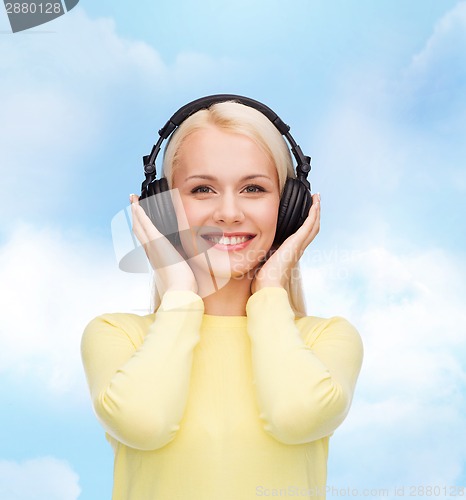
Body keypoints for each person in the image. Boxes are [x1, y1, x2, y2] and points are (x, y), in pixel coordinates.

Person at [81, 98, 363, 500]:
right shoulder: (116, 336)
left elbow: (295, 416)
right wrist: (179, 292)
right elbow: (144, 422)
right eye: (202, 189)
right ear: (162, 210)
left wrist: (269, 291)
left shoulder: (326, 340)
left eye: (253, 188)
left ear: (289, 209)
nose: (229, 212)